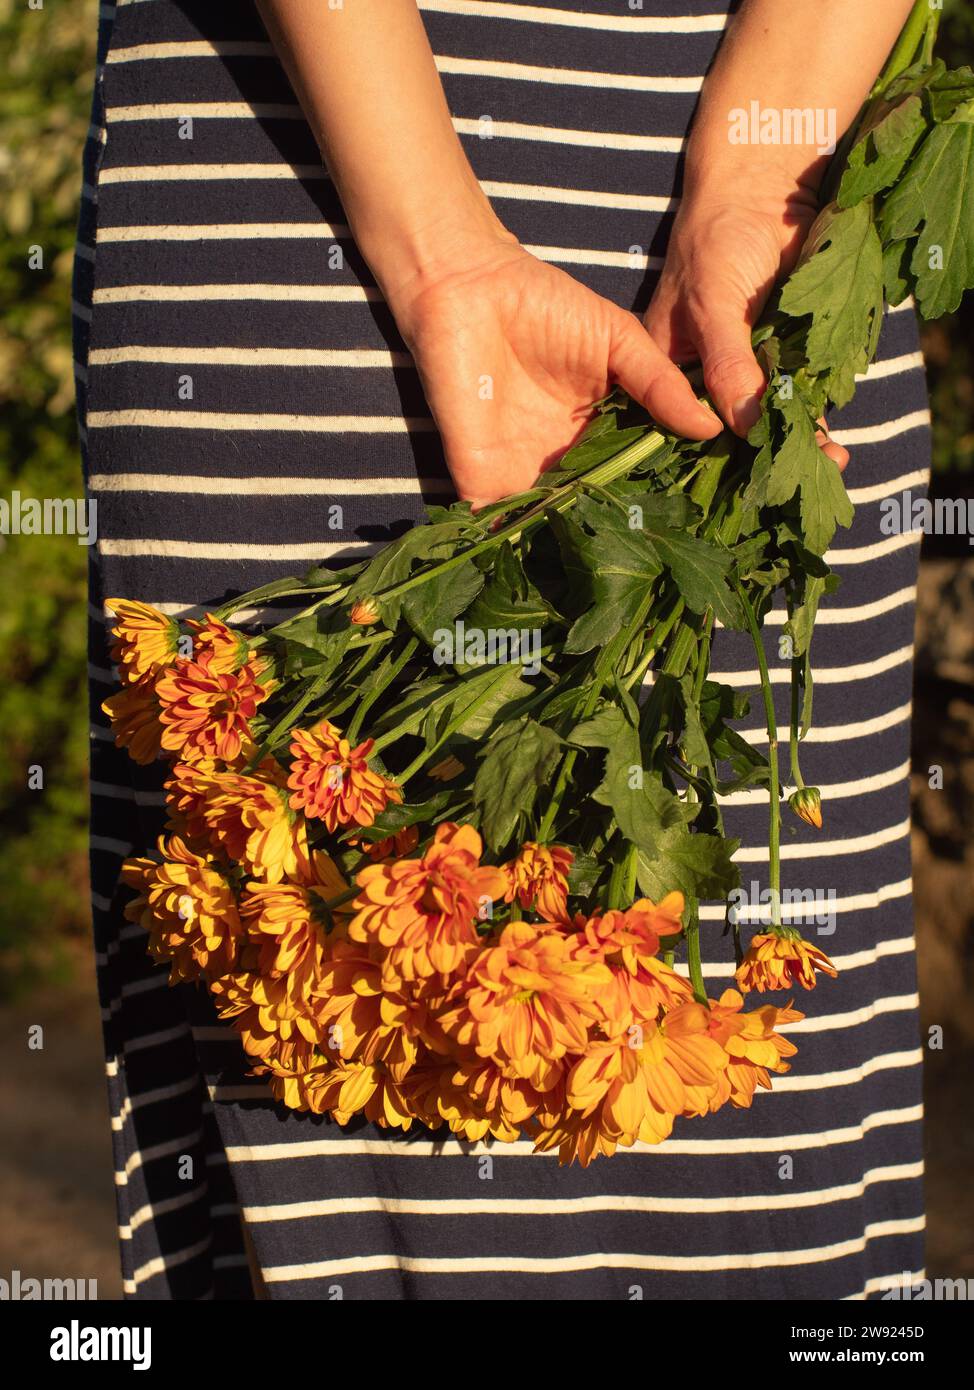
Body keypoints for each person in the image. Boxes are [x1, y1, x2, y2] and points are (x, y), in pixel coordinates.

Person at [75, 0, 926, 1299]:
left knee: (755, 1149)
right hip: (316, 144)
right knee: (312, 1142)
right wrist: (441, 260)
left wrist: (763, 159)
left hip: (785, 152)